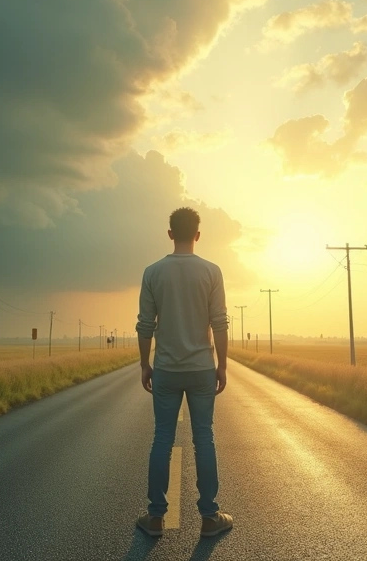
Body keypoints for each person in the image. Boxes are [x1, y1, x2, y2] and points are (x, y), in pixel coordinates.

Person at [135, 207, 233, 538]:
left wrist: (144, 364)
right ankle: (209, 517)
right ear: (198, 235)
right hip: (202, 368)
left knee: (162, 438)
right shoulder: (211, 271)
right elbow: (219, 322)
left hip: (166, 369)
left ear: (169, 234)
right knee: (204, 437)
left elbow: (145, 325)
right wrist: (222, 365)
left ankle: (155, 518)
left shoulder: (153, 272)